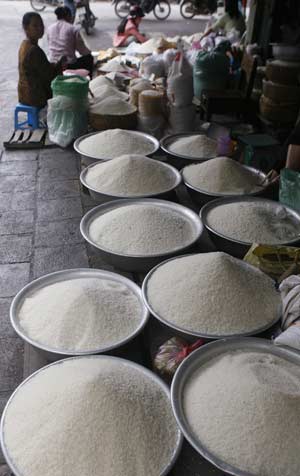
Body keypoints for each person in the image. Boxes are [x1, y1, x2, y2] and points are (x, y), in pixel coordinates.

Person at [18, 12, 65, 108]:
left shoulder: (24, 44)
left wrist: (53, 65)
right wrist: (60, 64)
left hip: (23, 93)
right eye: (35, 26)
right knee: (65, 92)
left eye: (41, 25)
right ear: (26, 28)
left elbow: (40, 68)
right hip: (34, 96)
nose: (40, 28)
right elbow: (49, 76)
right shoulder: (34, 50)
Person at [47, 7, 94, 78]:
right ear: (68, 16)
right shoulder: (72, 29)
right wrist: (89, 52)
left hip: (53, 63)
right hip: (68, 65)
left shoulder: (50, 28)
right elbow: (83, 51)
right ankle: (88, 80)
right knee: (89, 58)